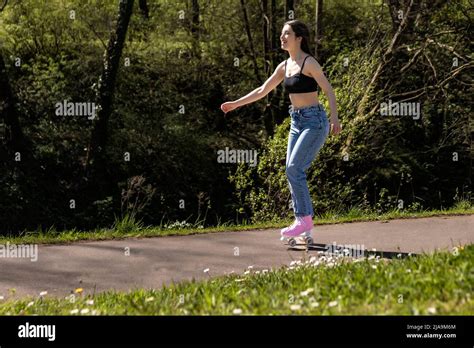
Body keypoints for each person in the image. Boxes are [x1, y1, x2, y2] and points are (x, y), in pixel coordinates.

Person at [220, 19, 341, 241]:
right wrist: (236, 103)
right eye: (282, 34)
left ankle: (303, 219)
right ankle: (305, 227)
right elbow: (262, 90)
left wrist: (335, 118)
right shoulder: (284, 66)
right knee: (291, 170)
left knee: (295, 168)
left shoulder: (309, 63)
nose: (282, 37)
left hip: (315, 122)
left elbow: (329, 90)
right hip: (297, 121)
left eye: (287, 34)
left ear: (298, 38)